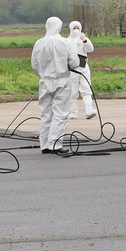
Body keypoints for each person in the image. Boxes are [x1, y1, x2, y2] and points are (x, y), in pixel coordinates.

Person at [31, 17, 80, 154]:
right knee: (60, 113)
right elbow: (74, 63)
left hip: (45, 81)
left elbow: (34, 64)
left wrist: (43, 75)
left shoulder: (39, 43)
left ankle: (44, 145)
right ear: (59, 27)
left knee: (46, 113)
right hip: (62, 80)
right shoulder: (65, 42)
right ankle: (55, 144)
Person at [66, 20, 97, 120]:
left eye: (77, 28)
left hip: (83, 68)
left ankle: (89, 110)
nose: (76, 30)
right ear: (71, 29)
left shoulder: (83, 39)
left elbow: (90, 49)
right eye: (74, 28)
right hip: (72, 70)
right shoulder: (66, 41)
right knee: (72, 91)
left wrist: (84, 40)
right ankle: (73, 112)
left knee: (86, 89)